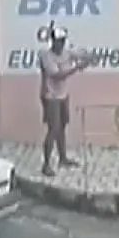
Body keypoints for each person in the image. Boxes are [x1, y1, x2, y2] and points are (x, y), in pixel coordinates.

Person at [38, 26, 93, 176]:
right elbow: (57, 75)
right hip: (50, 96)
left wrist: (86, 58)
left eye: (62, 41)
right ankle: (46, 164)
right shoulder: (46, 56)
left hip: (63, 95)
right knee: (53, 129)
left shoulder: (66, 52)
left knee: (62, 126)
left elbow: (80, 54)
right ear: (52, 42)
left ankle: (63, 158)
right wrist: (76, 68)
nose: (60, 44)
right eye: (58, 41)